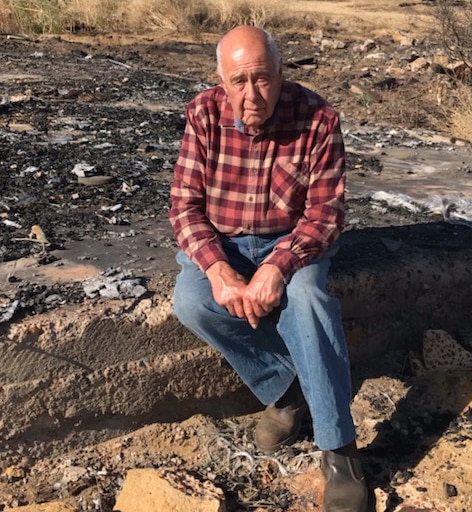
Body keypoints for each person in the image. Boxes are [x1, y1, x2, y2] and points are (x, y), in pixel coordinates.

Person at [169, 25, 369, 512]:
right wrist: (218, 269)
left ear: (281, 73)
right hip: (227, 243)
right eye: (238, 81)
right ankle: (288, 387)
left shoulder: (319, 118)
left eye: (262, 78)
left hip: (293, 240)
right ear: (221, 80)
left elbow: (326, 215)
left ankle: (340, 452)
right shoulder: (204, 113)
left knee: (306, 300)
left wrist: (278, 267)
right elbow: (184, 206)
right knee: (191, 302)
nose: (250, 93)